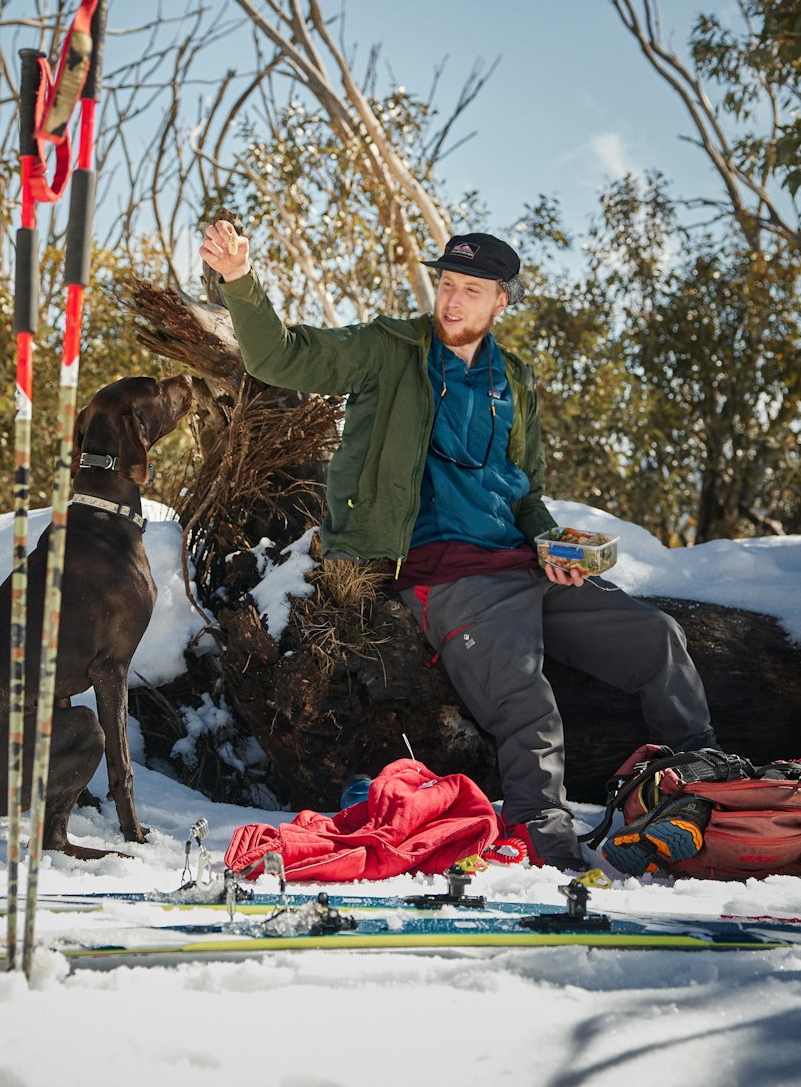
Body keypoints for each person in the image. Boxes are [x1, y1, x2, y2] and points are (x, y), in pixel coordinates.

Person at [199, 220, 720, 870]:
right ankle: (547, 852)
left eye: (471, 289)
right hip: (445, 574)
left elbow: (523, 490)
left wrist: (553, 545)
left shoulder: (514, 380)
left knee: (657, 639)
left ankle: (698, 786)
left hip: (526, 568)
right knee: (528, 707)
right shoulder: (388, 349)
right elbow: (280, 356)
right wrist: (241, 280)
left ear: (501, 301)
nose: (452, 299)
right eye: (447, 283)